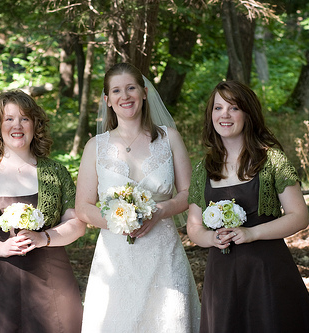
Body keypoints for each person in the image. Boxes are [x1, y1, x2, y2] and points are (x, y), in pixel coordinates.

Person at [187, 80, 309, 333]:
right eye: (218, 108)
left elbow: (299, 215)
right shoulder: (202, 169)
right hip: (222, 277)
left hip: (267, 271)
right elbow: (193, 226)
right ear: (211, 116)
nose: (224, 115)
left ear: (248, 113)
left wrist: (253, 233)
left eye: (234, 108)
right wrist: (210, 237)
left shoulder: (272, 160)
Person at [76, 63, 201, 332]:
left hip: (163, 252)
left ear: (144, 93)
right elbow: (83, 207)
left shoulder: (170, 138)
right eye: (117, 90)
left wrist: (161, 210)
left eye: (131, 88)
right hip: (115, 258)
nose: (125, 96)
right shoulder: (95, 147)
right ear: (108, 100)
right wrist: (119, 221)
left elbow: (189, 193)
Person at [0, 90, 85, 333]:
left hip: (50, 280)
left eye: (25, 118)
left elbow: (77, 224)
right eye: (9, 118)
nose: (17, 125)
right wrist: (0, 248)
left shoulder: (55, 172)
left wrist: (44, 238)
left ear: (35, 125)